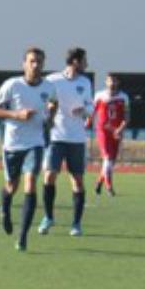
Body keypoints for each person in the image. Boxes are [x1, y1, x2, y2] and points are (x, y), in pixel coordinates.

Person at [0, 47, 57, 251]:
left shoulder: (49, 87)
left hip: (35, 143)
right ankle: (5, 208)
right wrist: (17, 115)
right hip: (12, 144)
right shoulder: (12, 85)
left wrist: (51, 116)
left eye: (39, 62)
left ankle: (22, 236)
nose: (35, 65)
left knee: (30, 183)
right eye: (31, 61)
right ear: (24, 64)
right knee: (11, 185)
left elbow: (51, 112)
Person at [40, 47, 94, 237]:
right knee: (49, 176)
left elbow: (91, 106)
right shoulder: (53, 80)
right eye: (84, 60)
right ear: (75, 61)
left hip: (77, 138)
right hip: (56, 137)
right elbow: (43, 100)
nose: (87, 63)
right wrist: (47, 110)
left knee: (78, 181)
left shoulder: (85, 82)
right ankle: (48, 217)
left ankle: (76, 224)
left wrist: (84, 110)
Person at [89, 73, 130, 197]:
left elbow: (127, 116)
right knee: (106, 158)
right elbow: (92, 111)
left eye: (114, 81)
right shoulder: (99, 95)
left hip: (116, 131)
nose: (112, 83)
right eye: (109, 81)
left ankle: (99, 182)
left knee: (111, 161)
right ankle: (109, 187)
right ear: (106, 82)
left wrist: (120, 128)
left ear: (118, 82)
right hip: (103, 130)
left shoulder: (124, 97)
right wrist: (87, 122)